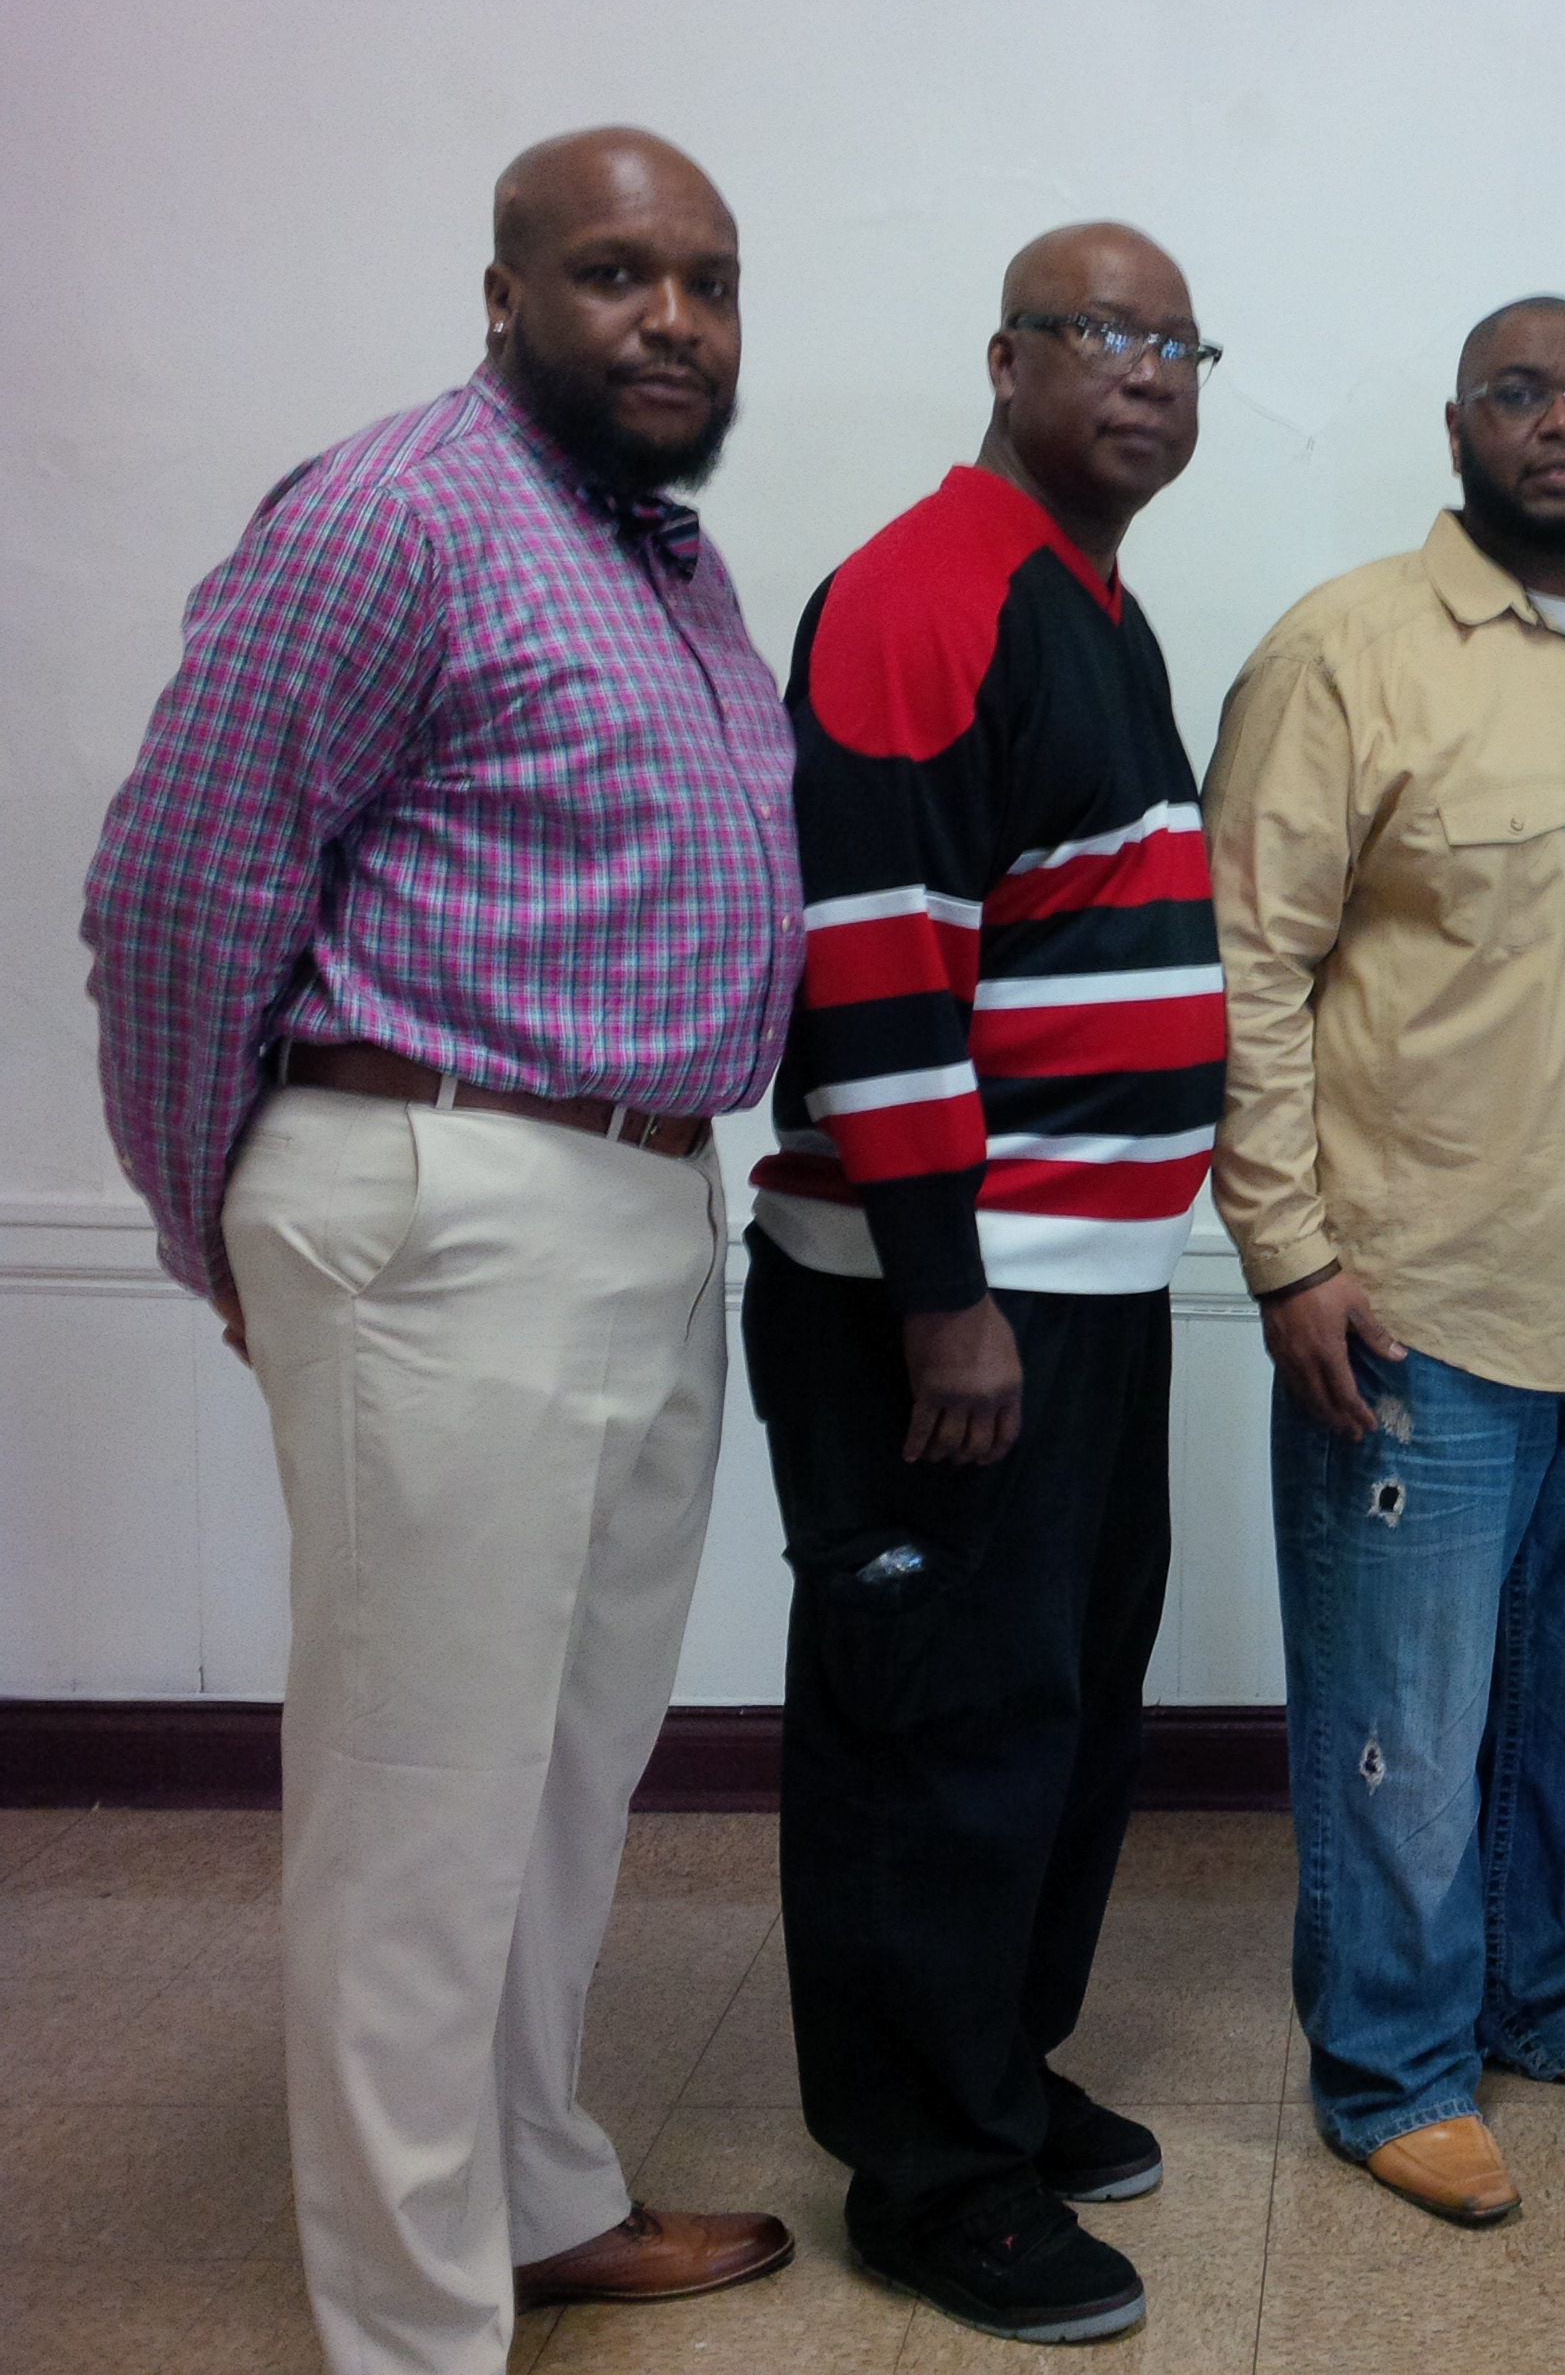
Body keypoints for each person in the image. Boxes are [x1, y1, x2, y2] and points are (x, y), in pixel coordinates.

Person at [79, 128, 798, 2375]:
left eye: (705, 278)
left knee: (564, 1767)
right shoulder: (393, 511)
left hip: (638, 1195)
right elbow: (179, 889)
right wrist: (224, 1215)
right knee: (417, 1806)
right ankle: (409, 2328)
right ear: (503, 296)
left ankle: (535, 2191)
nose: (668, 317)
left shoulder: (660, 553)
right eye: (611, 272)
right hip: (440, 1191)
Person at [1204, 296, 1565, 2226]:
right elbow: (1250, 966)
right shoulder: (1346, 652)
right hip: (1421, 1298)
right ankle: (1394, 2069)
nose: (1562, 423)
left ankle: (1548, 1994)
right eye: (1520, 393)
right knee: (1404, 1731)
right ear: (1455, 426)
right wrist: (1283, 1251)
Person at [739, 223, 1224, 2346]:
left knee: (1055, 1717)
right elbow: (876, 958)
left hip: (1081, 1289)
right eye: (1101, 335)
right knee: (934, 1734)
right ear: (1006, 358)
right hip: (940, 1303)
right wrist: (943, 1294)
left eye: (1180, 343)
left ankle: (994, 2081)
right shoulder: (931, 588)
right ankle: (930, 2175)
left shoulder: (1091, 597)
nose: (1147, 373)